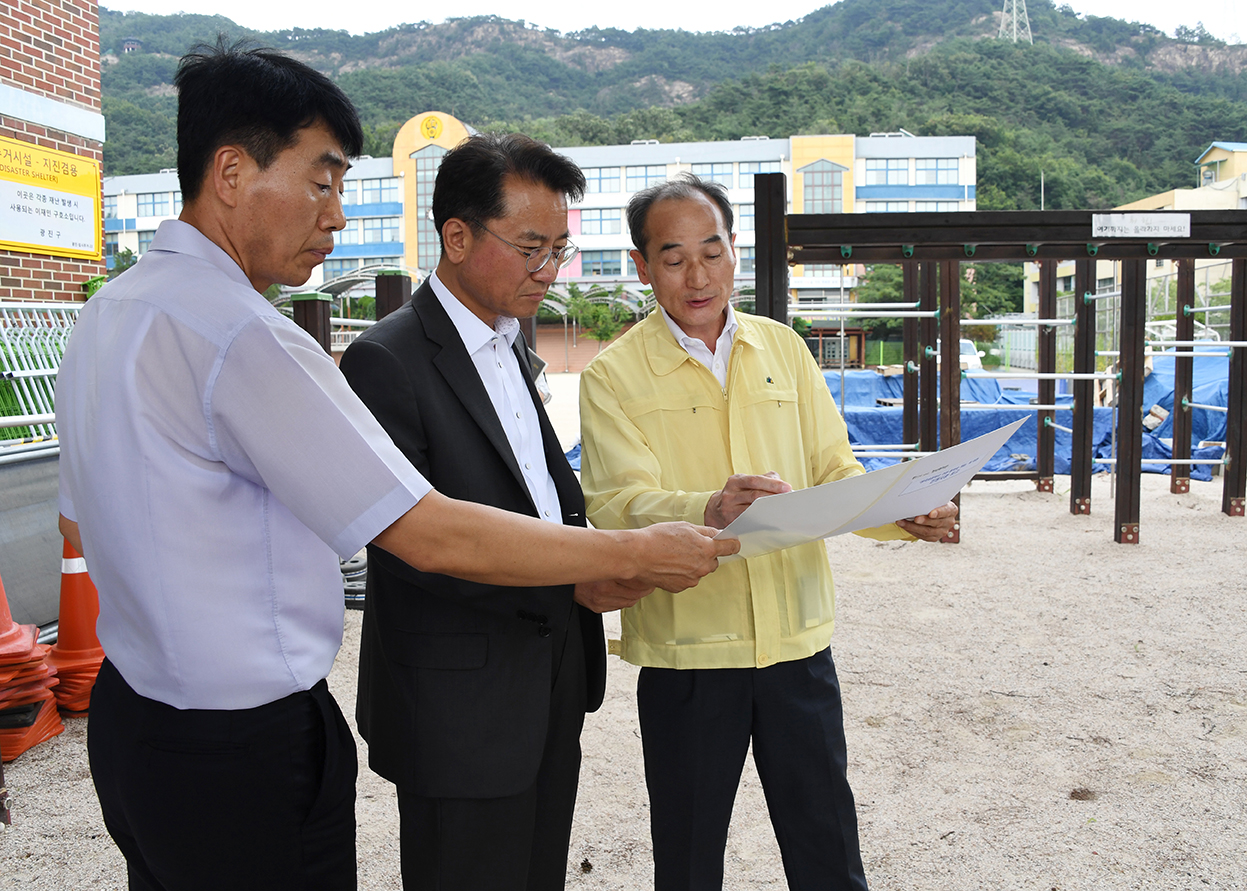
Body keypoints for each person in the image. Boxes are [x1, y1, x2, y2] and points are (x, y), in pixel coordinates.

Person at [55, 45, 735, 891]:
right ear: (230, 172)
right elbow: (425, 530)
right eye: (321, 181)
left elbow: (76, 522)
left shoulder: (109, 313)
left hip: (139, 722)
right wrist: (628, 553)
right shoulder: (247, 337)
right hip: (243, 744)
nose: (336, 216)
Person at [577, 173, 959, 891]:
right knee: (688, 860)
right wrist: (708, 507)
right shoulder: (612, 375)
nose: (697, 275)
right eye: (673, 256)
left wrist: (904, 512)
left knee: (827, 850)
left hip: (797, 646)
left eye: (712, 251)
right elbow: (615, 502)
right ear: (640, 265)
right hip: (688, 652)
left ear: (735, 251)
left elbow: (834, 472)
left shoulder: (783, 349)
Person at [338, 134, 641, 891]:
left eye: (560, 250)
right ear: (457, 235)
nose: (549, 271)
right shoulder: (387, 359)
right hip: (458, 704)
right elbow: (423, 542)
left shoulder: (508, 342)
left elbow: (534, 496)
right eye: (531, 248)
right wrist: (591, 564)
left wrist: (585, 563)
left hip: (548, 676)